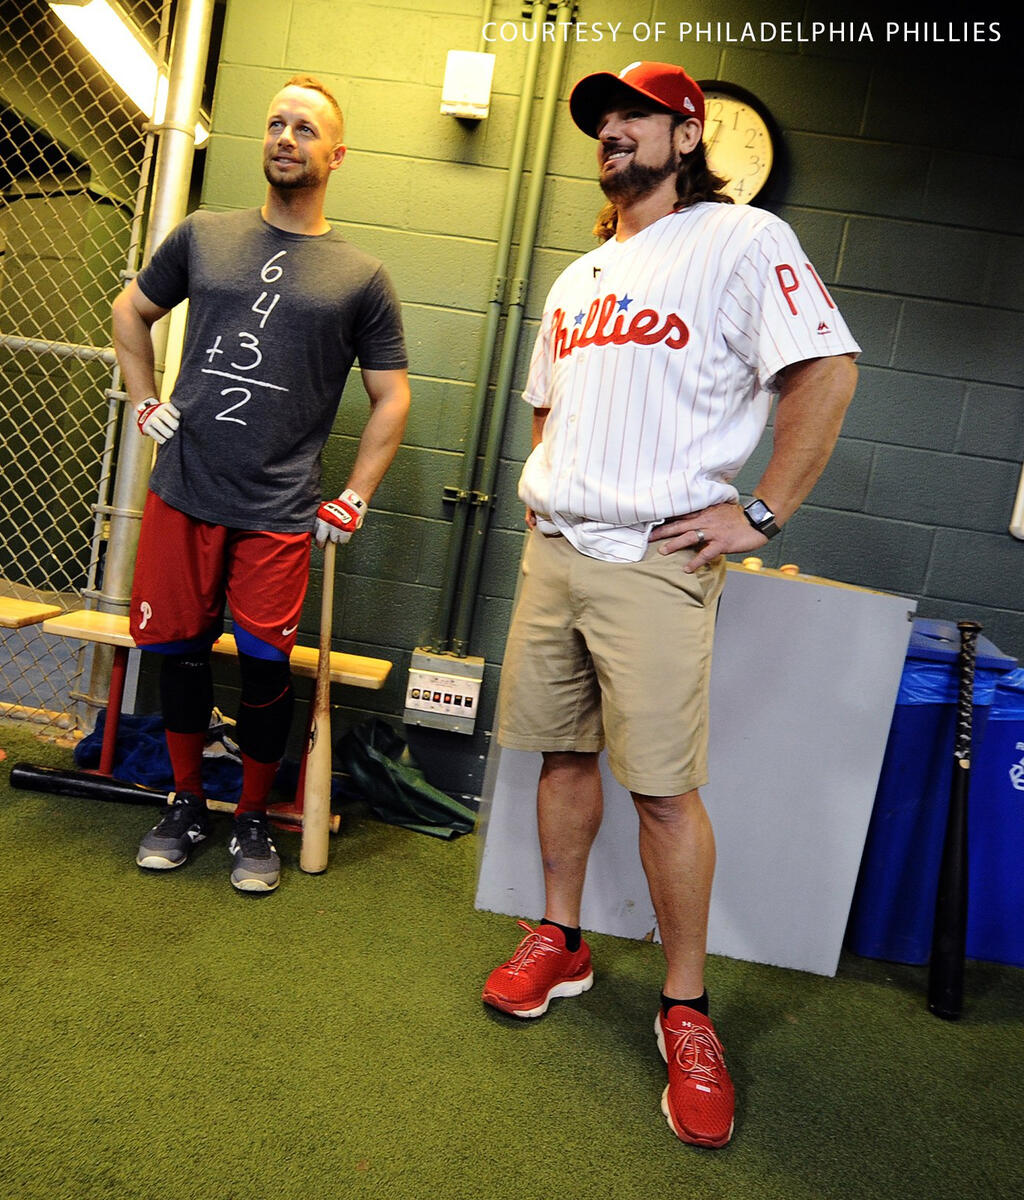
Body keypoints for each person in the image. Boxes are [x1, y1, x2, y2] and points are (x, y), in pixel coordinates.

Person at [481, 61, 859, 1149]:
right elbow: (551, 413)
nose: (612, 132)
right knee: (560, 755)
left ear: (686, 134)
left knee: (660, 791)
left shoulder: (744, 244)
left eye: (635, 116)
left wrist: (765, 514)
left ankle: (685, 1009)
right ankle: (562, 937)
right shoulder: (576, 278)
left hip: (659, 557)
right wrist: (546, 504)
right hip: (557, 550)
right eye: (601, 120)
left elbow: (825, 372)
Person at [110, 75, 409, 894]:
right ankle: (183, 801)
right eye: (275, 123)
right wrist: (145, 403)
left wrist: (357, 492)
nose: (285, 136)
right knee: (177, 653)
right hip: (184, 489)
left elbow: (394, 395)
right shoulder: (204, 236)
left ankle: (248, 817)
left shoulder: (360, 276)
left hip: (280, 509)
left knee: (268, 669)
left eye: (305, 128)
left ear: (336, 155)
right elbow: (128, 311)